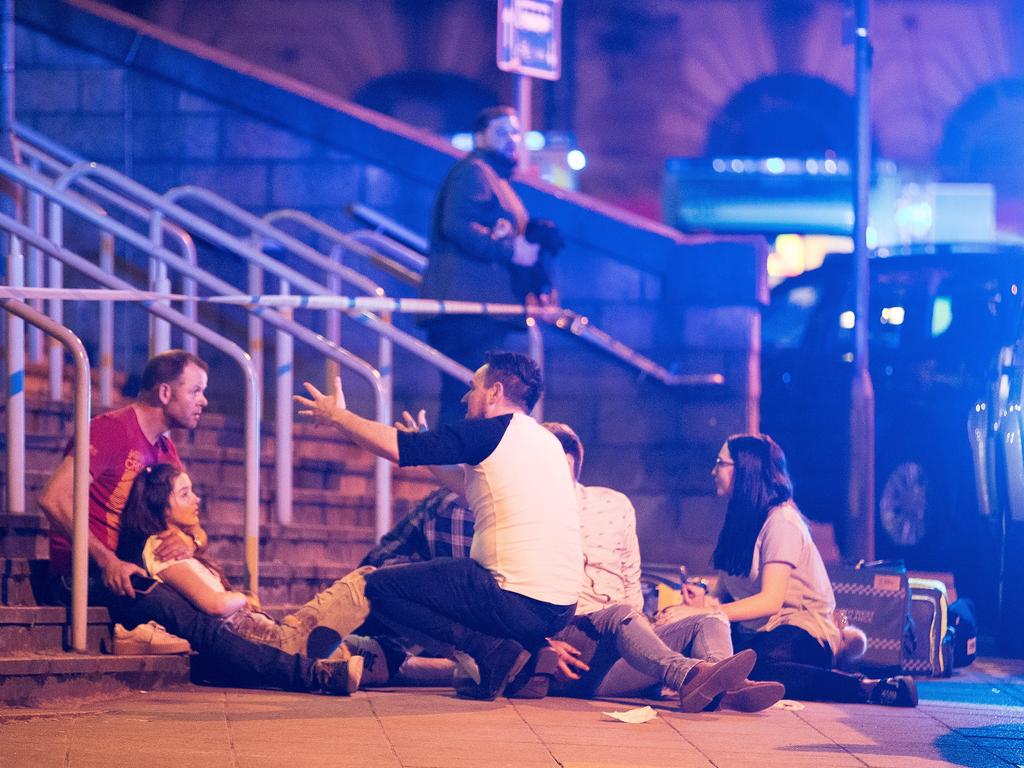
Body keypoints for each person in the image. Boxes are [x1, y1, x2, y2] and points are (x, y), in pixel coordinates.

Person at [349, 420, 779, 713]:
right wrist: (540, 641)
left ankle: (720, 685)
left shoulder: (612, 503)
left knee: (706, 621)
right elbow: (501, 592)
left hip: (628, 639)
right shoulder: (521, 509)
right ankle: (690, 675)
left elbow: (630, 578)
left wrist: (652, 626)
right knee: (620, 616)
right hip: (571, 641)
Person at [37, 350, 355, 695]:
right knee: (202, 621)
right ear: (164, 393)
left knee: (215, 615)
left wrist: (193, 542)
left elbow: (191, 523)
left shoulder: (164, 450)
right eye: (195, 391)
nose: (203, 401)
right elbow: (53, 498)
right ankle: (313, 676)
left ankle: (260, 662)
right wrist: (107, 560)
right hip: (87, 573)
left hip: (139, 567)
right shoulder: (110, 430)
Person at [296, 351, 581, 700]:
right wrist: (427, 456)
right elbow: (470, 486)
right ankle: (513, 658)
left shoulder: (489, 432)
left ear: (494, 393)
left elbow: (401, 450)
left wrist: (337, 416)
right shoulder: (545, 442)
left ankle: (489, 651)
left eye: (473, 387)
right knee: (441, 582)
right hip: (559, 610)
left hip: (513, 598)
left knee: (380, 588)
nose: (465, 396)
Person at [690, 433, 918, 707]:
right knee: (713, 655)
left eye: (720, 463)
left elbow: (769, 601)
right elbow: (724, 595)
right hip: (758, 632)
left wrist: (710, 611)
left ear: (745, 470)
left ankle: (867, 688)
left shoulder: (781, 522)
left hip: (802, 628)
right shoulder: (739, 523)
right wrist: (700, 600)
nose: (713, 471)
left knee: (760, 666)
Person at [115, 463, 365, 694]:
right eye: (184, 494)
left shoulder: (181, 544)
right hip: (257, 639)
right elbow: (214, 604)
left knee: (360, 633)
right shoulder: (161, 548)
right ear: (161, 507)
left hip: (263, 631)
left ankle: (379, 658)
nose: (196, 499)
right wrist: (244, 598)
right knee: (360, 585)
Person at [421, 105, 561, 425]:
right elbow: (457, 225)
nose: (511, 139)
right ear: (480, 137)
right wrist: (512, 250)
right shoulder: (475, 172)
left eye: (515, 132)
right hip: (467, 310)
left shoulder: (491, 176)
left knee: (471, 400)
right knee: (465, 400)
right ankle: (452, 471)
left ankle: (458, 469)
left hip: (477, 309)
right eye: (501, 132)